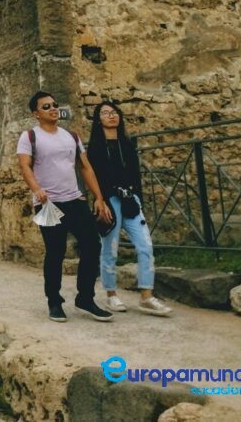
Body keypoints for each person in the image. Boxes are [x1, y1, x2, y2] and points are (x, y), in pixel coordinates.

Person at [17, 91, 113, 323]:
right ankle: (54, 301)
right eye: (46, 106)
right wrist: (36, 189)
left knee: (92, 244)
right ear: (36, 113)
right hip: (47, 203)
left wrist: (99, 198)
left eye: (55, 105)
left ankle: (85, 298)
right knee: (55, 252)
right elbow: (25, 166)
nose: (53, 109)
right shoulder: (29, 136)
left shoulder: (71, 136)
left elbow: (86, 167)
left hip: (74, 199)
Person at [87, 102, 172, 316]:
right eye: (105, 113)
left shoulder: (127, 144)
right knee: (110, 249)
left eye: (114, 112)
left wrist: (138, 199)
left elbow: (136, 175)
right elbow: (92, 176)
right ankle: (111, 295)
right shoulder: (95, 147)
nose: (111, 116)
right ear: (99, 120)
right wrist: (100, 201)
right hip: (109, 201)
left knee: (145, 246)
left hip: (130, 199)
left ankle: (146, 296)